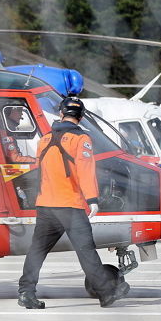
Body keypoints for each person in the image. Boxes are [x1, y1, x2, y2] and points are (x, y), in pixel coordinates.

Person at [17, 97, 130, 309]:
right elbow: (85, 172)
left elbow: (39, 172)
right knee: (86, 250)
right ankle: (106, 293)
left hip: (46, 204)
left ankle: (26, 292)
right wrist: (93, 199)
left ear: (61, 114)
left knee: (37, 251)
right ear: (81, 116)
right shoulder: (82, 139)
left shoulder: (44, 140)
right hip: (70, 204)